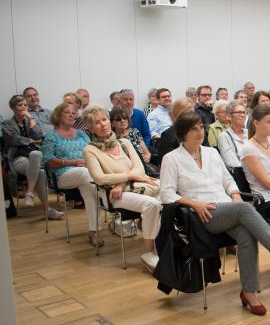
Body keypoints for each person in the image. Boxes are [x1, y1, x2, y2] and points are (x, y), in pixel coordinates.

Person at [159, 112, 270, 316]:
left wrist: (235, 195)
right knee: (245, 208)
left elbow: (229, 181)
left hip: (227, 208)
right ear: (182, 132)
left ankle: (249, 292)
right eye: (194, 128)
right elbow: (166, 194)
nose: (200, 132)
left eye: (202, 127)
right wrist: (194, 204)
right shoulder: (172, 158)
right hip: (202, 214)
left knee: (246, 234)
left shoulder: (211, 153)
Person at [83, 105, 162, 270]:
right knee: (152, 204)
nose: (103, 124)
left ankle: (166, 243)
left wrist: (121, 183)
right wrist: (129, 176)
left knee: (168, 194)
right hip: (112, 194)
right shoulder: (90, 150)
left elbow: (139, 168)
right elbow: (99, 178)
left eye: (104, 119)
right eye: (97, 123)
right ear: (90, 128)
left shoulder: (124, 142)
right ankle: (151, 251)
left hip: (127, 187)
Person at [41, 102, 100, 246]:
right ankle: (110, 201)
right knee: (90, 179)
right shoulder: (51, 136)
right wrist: (70, 163)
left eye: (74, 112)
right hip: (62, 175)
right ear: (58, 115)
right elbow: (48, 161)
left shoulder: (81, 134)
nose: (72, 115)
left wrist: (88, 162)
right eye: (68, 112)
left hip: (85, 173)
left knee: (90, 189)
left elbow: (91, 151)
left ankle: (94, 231)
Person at [2, 96, 63, 219]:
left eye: (25, 105)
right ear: (13, 108)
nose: (24, 107)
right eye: (20, 105)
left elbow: (39, 135)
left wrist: (31, 119)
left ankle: (29, 193)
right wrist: (33, 140)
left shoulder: (29, 121)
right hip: (19, 159)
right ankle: (47, 211)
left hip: (34, 158)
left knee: (36, 155)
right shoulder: (6, 124)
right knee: (40, 171)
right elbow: (15, 140)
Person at [157, 98, 196, 165]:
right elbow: (168, 163)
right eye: (186, 113)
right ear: (177, 114)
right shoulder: (167, 135)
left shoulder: (198, 131)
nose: (190, 116)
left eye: (192, 113)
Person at [217, 99, 248, 168]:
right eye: (239, 112)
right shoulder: (224, 136)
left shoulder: (249, 133)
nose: (243, 115)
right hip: (241, 174)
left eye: (244, 112)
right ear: (229, 116)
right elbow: (231, 162)